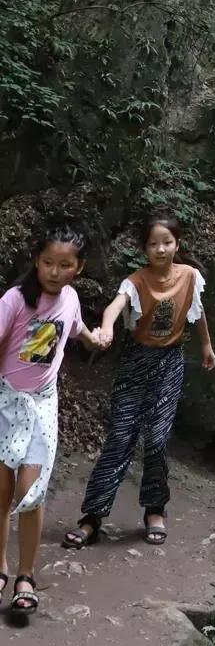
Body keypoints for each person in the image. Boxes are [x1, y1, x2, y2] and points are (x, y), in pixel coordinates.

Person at [64, 212, 215, 549]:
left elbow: (198, 309)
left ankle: (154, 510)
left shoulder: (190, 276)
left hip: (169, 363)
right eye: (153, 243)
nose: (160, 249)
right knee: (120, 437)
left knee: (158, 440)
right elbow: (114, 308)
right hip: (135, 362)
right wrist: (105, 329)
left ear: (177, 244)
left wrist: (206, 345)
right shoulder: (136, 281)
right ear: (144, 248)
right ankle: (92, 516)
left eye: (167, 242)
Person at [0, 225, 104, 616]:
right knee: (2, 492)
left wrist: (95, 338)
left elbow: (74, 329)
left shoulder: (71, 299)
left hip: (42, 405)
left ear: (79, 267)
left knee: (32, 492)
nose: (54, 272)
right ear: (36, 260)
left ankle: (26, 574)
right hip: (5, 402)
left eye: (64, 265)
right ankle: (1, 569)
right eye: (47, 263)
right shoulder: (14, 301)